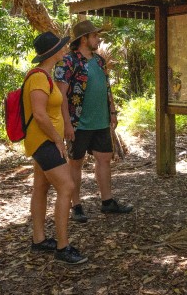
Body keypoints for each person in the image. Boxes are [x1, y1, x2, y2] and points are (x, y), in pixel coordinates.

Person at [55, 19, 134, 222]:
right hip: (78, 123)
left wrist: (113, 111)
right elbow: (61, 95)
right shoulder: (68, 62)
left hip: (101, 121)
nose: (98, 39)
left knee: (105, 158)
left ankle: (107, 202)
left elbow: (107, 88)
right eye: (95, 36)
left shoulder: (99, 61)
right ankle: (76, 205)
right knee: (75, 163)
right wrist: (66, 123)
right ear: (84, 39)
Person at [23, 31, 88, 265]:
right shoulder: (39, 77)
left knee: (41, 187)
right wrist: (57, 140)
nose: (65, 49)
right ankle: (63, 247)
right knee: (67, 186)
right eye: (61, 46)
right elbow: (39, 114)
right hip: (44, 142)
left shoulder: (45, 76)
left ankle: (39, 240)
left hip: (44, 141)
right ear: (52, 52)